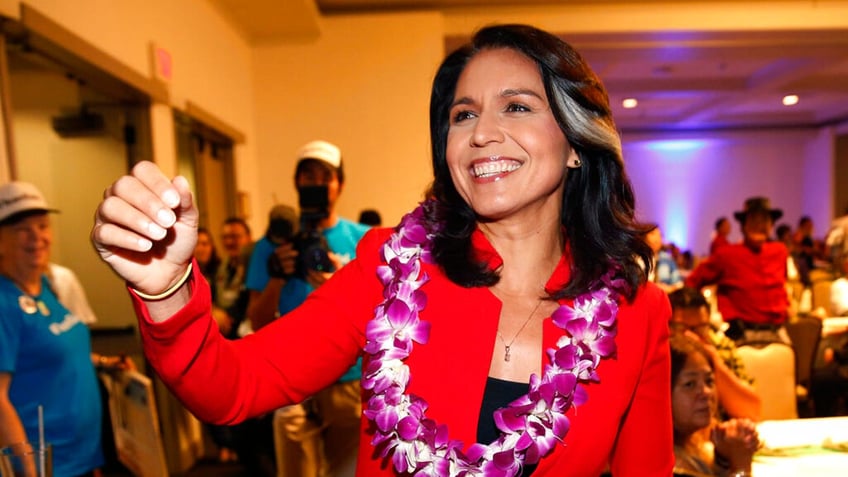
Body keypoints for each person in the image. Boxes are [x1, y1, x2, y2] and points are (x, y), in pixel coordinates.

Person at [91, 24, 673, 476]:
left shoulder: (638, 312)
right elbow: (233, 387)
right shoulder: (393, 272)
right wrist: (163, 287)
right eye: (462, 114)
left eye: (516, 106)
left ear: (577, 143)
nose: (480, 133)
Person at [244, 141, 370, 477]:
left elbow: (380, 317)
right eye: (307, 176)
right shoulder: (271, 245)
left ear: (339, 184)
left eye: (324, 176)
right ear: (296, 182)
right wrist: (276, 279)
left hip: (349, 381)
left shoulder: (365, 240)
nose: (315, 183)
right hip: (291, 381)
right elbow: (257, 320)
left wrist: (337, 285)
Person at [0, 181, 125, 477]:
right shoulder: (4, 304)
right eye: (22, 230)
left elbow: (58, 354)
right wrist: (29, 468)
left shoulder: (46, 287)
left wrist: (105, 364)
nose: (37, 237)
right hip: (50, 466)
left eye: (43, 226)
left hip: (83, 456)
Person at [686, 197, 791, 345]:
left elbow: (783, 285)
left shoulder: (779, 251)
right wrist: (699, 318)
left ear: (771, 225)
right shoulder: (726, 255)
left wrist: (787, 305)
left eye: (764, 221)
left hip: (778, 332)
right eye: (754, 220)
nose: (759, 225)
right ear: (743, 225)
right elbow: (692, 282)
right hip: (742, 334)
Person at [669, 333, 759, 477]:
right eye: (690, 384)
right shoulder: (671, 464)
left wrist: (723, 456)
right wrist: (742, 465)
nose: (706, 392)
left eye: (709, 381)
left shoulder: (690, 443)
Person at [668, 287, 761, 421]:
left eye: (700, 328)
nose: (692, 336)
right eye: (682, 328)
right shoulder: (660, 353)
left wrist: (714, 362)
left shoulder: (722, 347)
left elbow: (752, 411)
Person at [644, 223, 683, 293]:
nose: (657, 238)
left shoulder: (667, 259)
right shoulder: (637, 259)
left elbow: (679, 284)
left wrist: (670, 289)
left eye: (660, 235)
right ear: (644, 236)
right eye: (652, 234)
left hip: (664, 296)